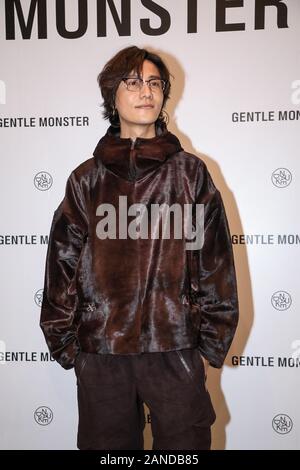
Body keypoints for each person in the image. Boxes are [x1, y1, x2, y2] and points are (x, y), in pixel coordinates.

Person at [40, 45, 239, 451]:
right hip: (101, 351)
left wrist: (210, 339)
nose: (145, 91)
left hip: (174, 346)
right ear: (112, 96)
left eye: (154, 83)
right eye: (133, 83)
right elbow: (61, 261)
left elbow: (214, 260)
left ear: (165, 94)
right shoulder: (86, 180)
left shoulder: (190, 174)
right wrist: (67, 344)